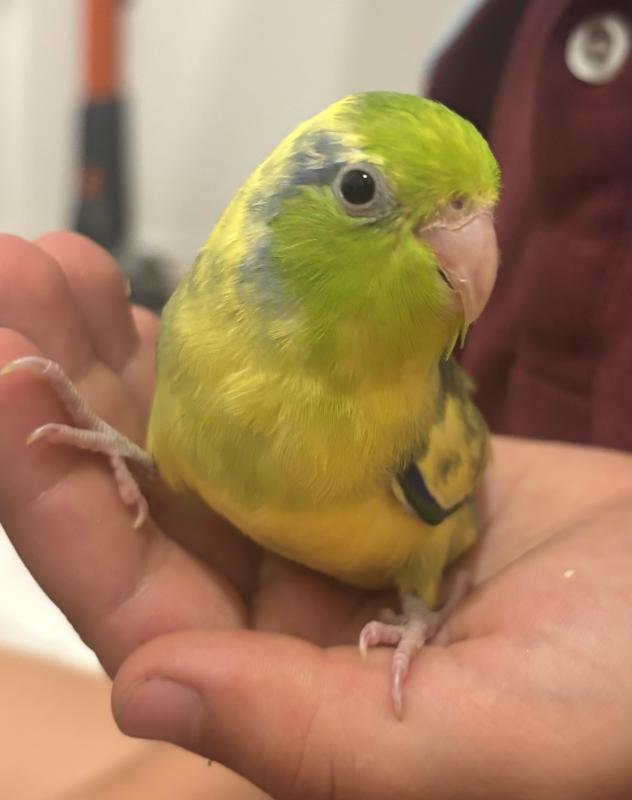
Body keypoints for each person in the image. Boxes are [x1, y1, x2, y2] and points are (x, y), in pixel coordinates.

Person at [0, 2, 630, 799]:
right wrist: (135, 458)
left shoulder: (413, 418)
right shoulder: (193, 316)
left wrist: (416, 611)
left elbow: (455, 502)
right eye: (362, 190)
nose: (466, 243)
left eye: (475, 211)